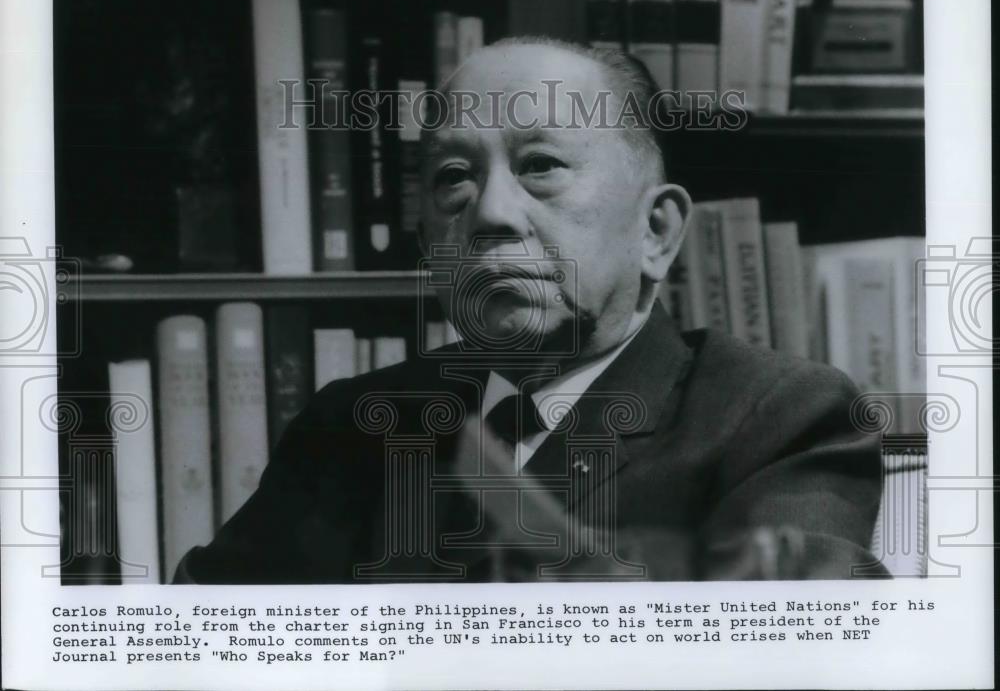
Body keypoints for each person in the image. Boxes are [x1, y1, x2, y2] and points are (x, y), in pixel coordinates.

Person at [174, 37, 884, 583]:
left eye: (539, 165)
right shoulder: (350, 423)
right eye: (454, 177)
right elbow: (198, 644)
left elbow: (789, 656)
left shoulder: (784, 418)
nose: (488, 211)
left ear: (656, 232)